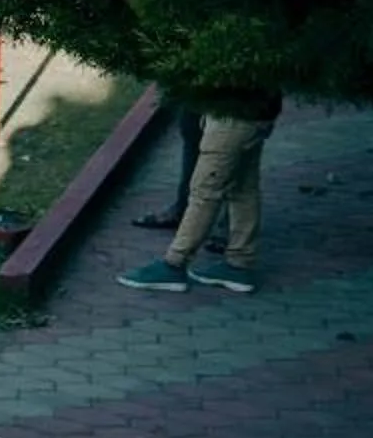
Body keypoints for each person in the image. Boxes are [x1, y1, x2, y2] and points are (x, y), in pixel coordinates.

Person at [117, 83, 282, 295]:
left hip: (232, 113)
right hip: (256, 111)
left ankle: (175, 264)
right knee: (243, 188)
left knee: (205, 191)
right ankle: (240, 262)